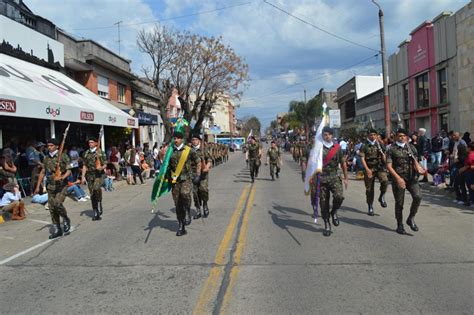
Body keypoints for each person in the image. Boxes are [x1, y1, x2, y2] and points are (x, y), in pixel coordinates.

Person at [310, 127, 348, 237]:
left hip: (334, 177)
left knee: (339, 197)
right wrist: (311, 177)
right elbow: (312, 164)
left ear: (332, 135)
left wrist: (346, 178)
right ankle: (327, 224)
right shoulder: (318, 148)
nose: (327, 136)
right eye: (325, 134)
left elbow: (343, 163)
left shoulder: (337, 148)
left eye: (329, 134)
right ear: (322, 135)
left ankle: (334, 211)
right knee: (323, 203)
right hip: (321, 179)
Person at [386, 128, 422, 235]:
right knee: (399, 202)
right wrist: (398, 178)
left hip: (411, 178)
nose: (402, 137)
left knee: (418, 196)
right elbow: (389, 166)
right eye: (400, 136)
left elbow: (415, 160)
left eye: (404, 135)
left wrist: (419, 168)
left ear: (407, 137)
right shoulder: (391, 149)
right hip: (398, 178)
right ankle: (399, 224)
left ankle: (411, 218)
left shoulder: (411, 148)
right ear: (396, 137)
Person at [35, 138, 72, 239]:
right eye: (48, 146)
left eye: (51, 145)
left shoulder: (63, 156)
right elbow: (43, 172)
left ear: (56, 146)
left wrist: (62, 177)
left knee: (57, 203)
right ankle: (57, 229)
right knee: (52, 208)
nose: (49, 147)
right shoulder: (46, 158)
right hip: (50, 186)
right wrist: (38, 186)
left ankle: (65, 218)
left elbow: (69, 170)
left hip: (62, 185)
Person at [167, 131, 201, 236]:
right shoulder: (170, 151)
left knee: (185, 194)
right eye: (174, 138)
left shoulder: (188, 150)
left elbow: (198, 161)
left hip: (186, 178)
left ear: (182, 139)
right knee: (177, 204)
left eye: (177, 138)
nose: (175, 140)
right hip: (174, 180)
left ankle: (187, 210)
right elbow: (165, 165)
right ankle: (181, 226)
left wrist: (198, 175)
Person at [360, 128, 388, 216]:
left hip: (379, 167)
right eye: (371, 135)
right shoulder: (364, 145)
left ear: (376, 135)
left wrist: (384, 157)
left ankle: (382, 196)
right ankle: (370, 206)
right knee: (369, 189)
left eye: (374, 135)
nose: (372, 136)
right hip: (369, 167)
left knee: (385, 180)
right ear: (368, 136)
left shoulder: (380, 144)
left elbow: (385, 155)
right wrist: (367, 170)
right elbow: (362, 159)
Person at [81, 137, 106, 221]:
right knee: (92, 194)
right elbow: (84, 165)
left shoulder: (100, 152)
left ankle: (99, 202)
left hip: (98, 175)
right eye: (89, 142)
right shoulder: (86, 153)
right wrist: (82, 177)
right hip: (90, 176)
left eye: (92, 142)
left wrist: (101, 167)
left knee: (96, 189)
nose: (90, 144)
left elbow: (105, 163)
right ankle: (96, 211)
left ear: (96, 143)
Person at [191, 134, 211, 220]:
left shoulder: (203, 149)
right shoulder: (189, 150)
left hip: (203, 173)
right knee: (195, 193)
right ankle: (198, 210)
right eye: (193, 140)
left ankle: (205, 205)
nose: (194, 141)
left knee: (203, 189)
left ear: (199, 140)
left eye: (195, 139)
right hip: (193, 174)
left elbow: (209, 159)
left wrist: (207, 167)